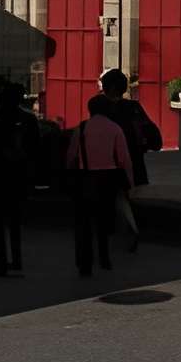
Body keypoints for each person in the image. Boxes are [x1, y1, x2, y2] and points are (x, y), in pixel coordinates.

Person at [63, 93, 133, 276]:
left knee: (83, 223)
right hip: (108, 179)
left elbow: (71, 156)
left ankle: (84, 263)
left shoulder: (82, 128)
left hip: (85, 178)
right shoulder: (115, 129)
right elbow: (124, 159)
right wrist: (129, 183)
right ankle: (104, 258)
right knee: (104, 222)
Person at [99, 69, 162, 250]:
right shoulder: (134, 107)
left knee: (118, 196)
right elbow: (151, 133)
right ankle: (128, 230)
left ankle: (128, 231)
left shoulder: (102, 108)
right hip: (135, 160)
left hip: (112, 162)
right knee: (126, 196)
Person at [0, 82, 39, 278]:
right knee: (15, 220)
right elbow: (34, 150)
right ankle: (16, 259)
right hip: (18, 175)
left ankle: (1, 262)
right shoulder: (29, 120)